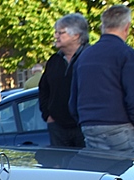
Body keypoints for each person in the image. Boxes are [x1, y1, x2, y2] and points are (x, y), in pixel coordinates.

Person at [69, 5, 134, 156]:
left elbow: (73, 102)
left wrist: (85, 119)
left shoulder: (84, 56)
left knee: (100, 168)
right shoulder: (126, 53)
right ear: (127, 27)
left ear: (102, 26)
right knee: (126, 168)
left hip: (89, 125)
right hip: (120, 125)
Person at [39, 13, 89, 147]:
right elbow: (44, 90)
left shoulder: (91, 58)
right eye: (56, 32)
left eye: (60, 33)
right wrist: (48, 115)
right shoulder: (54, 61)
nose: (56, 36)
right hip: (58, 128)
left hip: (85, 126)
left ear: (76, 35)